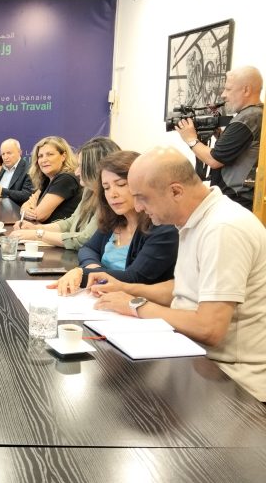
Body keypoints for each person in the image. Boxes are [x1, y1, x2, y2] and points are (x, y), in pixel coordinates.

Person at [89, 147, 266, 402]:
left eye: (142, 198)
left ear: (175, 191)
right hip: (194, 354)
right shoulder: (195, 219)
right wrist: (127, 289)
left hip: (231, 380)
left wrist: (136, 305)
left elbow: (209, 328)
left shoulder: (223, 228)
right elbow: (186, 287)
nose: (138, 207)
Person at [53, 151, 179, 295]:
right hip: (102, 297)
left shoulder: (163, 227)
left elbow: (135, 278)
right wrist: (94, 269)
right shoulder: (114, 220)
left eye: (121, 184)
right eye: (106, 188)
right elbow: (88, 249)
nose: (112, 194)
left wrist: (85, 273)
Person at [176, 65, 263, 210]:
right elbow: (240, 151)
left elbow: (214, 160)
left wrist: (190, 139)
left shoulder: (248, 118)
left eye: (228, 89)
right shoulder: (256, 114)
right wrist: (220, 136)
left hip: (236, 202)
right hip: (238, 201)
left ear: (246, 90)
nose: (223, 95)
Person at [12, 137, 121, 249]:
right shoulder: (88, 190)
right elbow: (71, 222)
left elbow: (84, 239)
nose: (76, 172)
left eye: (81, 166)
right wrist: (36, 228)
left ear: (95, 168)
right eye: (40, 156)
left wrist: (38, 234)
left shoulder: (68, 179)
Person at [20, 136, 81, 223]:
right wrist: (24, 209)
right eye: (40, 156)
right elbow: (27, 204)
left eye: (50, 154)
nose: (44, 160)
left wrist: (32, 207)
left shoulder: (66, 178)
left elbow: (39, 216)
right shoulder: (47, 179)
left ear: (63, 156)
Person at [0, 138, 33, 204]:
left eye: (9, 153)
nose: (5, 157)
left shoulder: (29, 169)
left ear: (20, 152)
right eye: (3, 154)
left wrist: (2, 191)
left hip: (16, 209)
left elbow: (27, 195)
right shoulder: (1, 168)